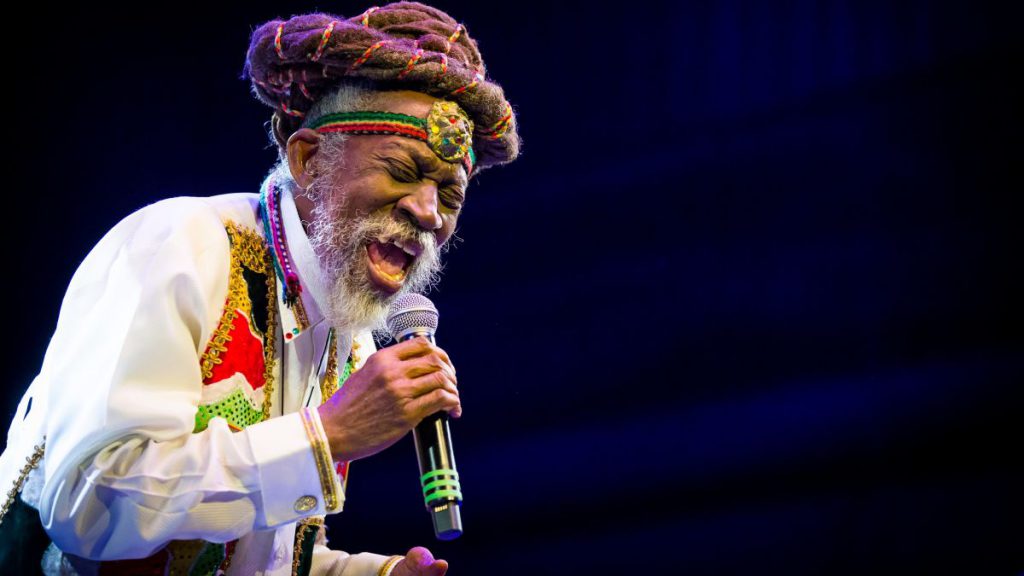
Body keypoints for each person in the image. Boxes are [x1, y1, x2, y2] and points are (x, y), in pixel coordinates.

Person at [0, 3, 519, 575]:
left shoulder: (349, 339)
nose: (428, 212)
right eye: (401, 170)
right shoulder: (185, 246)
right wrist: (325, 437)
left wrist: (374, 572)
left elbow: (249, 554)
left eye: (450, 195)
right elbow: (91, 504)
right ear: (309, 159)